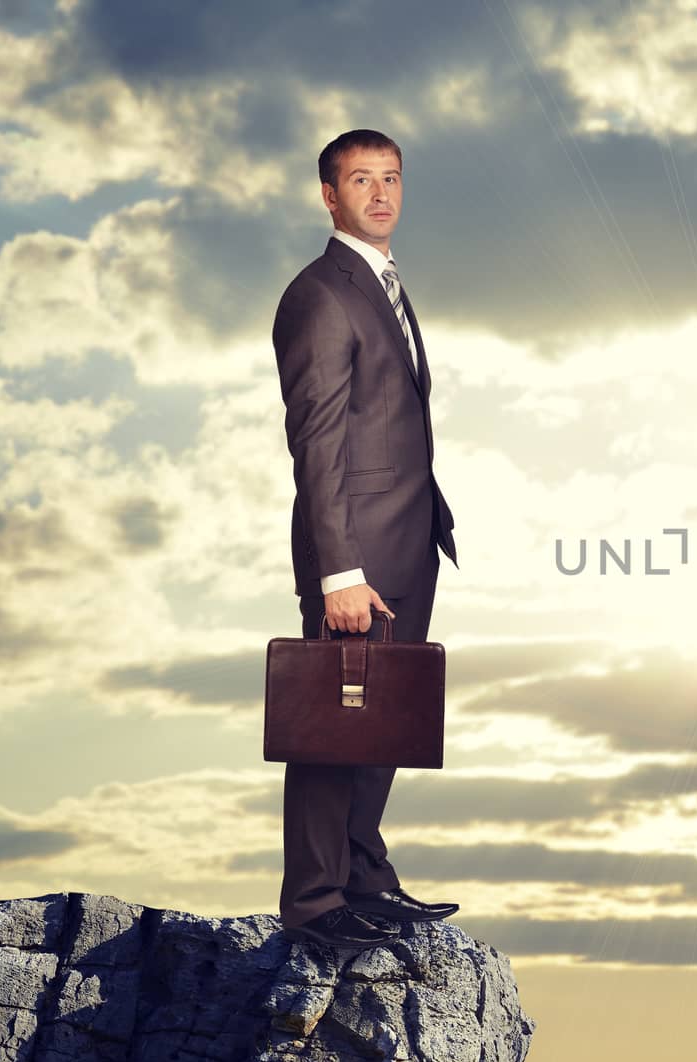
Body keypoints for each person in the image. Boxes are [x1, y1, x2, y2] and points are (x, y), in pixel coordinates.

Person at [271, 128, 460, 949]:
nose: (380, 195)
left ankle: (364, 878)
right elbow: (316, 440)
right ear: (329, 194)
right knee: (331, 721)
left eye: (391, 179)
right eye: (360, 180)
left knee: (381, 721)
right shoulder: (322, 292)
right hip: (354, 549)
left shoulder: (383, 281)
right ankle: (315, 903)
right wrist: (339, 570)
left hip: (408, 537)